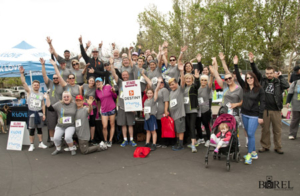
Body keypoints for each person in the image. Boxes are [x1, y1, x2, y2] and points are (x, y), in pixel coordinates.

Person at [249, 52, 289, 154]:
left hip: (276, 109)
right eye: (267, 73)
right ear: (265, 73)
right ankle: (265, 146)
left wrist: (280, 77)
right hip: (265, 109)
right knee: (265, 130)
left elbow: (286, 86)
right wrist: (252, 62)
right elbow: (256, 72)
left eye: (271, 73)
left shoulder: (279, 81)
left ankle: (278, 147)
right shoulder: (262, 81)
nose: (269, 75)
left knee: (277, 130)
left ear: (274, 73)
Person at [234, 55, 265, 164]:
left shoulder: (259, 89)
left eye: (251, 77)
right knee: (248, 133)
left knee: (251, 134)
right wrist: (236, 65)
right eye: (247, 78)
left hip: (254, 115)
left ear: (254, 78)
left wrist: (261, 116)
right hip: (244, 114)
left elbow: (263, 103)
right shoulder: (245, 87)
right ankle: (253, 152)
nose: (249, 79)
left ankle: (248, 155)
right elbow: (237, 76)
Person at [209, 58, 243, 146]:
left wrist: (236, 104)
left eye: (229, 78)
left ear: (233, 77)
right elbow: (216, 75)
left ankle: (235, 142)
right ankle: (223, 142)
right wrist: (215, 63)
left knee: (234, 128)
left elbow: (242, 102)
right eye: (226, 79)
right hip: (224, 111)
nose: (228, 80)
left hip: (234, 112)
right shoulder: (224, 86)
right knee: (223, 128)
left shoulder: (239, 89)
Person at [19, 66, 47, 151]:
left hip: (39, 113)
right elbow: (24, 83)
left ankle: (41, 143)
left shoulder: (41, 94)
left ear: (39, 86)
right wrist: (21, 74)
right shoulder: (29, 91)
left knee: (40, 129)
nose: (36, 86)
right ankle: (31, 145)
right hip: (31, 112)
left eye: (37, 85)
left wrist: (44, 114)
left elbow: (43, 105)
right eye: (34, 85)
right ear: (32, 86)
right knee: (31, 129)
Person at [111, 63, 137, 147]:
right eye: (123, 75)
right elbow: (114, 74)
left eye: (126, 75)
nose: (125, 76)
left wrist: (134, 107)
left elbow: (135, 96)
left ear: (128, 75)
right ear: (121, 76)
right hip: (122, 106)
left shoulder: (132, 83)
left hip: (130, 107)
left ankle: (131, 140)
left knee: (130, 124)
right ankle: (125, 140)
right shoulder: (120, 82)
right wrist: (111, 65)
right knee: (123, 124)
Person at [45, 91, 77, 155]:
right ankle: (58, 149)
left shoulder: (74, 104)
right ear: (62, 98)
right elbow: (50, 108)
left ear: (70, 97)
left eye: (68, 97)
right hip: (60, 125)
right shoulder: (59, 104)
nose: (66, 98)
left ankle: (71, 148)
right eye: (64, 97)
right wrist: (47, 98)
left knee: (67, 137)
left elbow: (81, 107)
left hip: (70, 125)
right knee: (56, 138)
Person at [41, 58, 64, 148]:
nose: (55, 79)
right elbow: (44, 76)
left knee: (61, 125)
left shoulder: (62, 85)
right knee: (51, 126)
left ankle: (60, 140)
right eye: (54, 78)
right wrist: (43, 65)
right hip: (50, 108)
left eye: (56, 78)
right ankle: (52, 141)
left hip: (60, 108)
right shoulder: (50, 83)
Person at [95, 77, 117, 147]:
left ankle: (110, 140)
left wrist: (114, 92)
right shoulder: (97, 91)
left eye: (99, 81)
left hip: (112, 108)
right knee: (104, 126)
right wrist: (98, 111)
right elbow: (98, 101)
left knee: (112, 124)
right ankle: (105, 140)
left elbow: (115, 96)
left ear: (102, 82)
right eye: (96, 82)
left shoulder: (108, 87)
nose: (98, 83)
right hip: (104, 110)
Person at [168, 62, 185, 151]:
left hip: (180, 115)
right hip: (173, 116)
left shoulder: (180, 90)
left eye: (173, 84)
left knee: (180, 130)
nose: (172, 86)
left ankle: (181, 144)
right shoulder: (171, 92)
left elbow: (182, 82)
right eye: (170, 85)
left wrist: (182, 71)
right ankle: (178, 143)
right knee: (177, 130)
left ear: (176, 84)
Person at [183, 70, 200, 153]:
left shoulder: (194, 87)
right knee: (189, 126)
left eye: (190, 78)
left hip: (192, 110)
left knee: (192, 126)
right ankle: (194, 141)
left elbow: (198, 85)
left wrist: (197, 78)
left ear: (192, 79)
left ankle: (193, 145)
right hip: (185, 110)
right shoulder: (184, 88)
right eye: (187, 79)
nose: (188, 80)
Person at [196, 74, 214, 148]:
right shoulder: (198, 88)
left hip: (205, 109)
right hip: (198, 109)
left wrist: (212, 75)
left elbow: (210, 83)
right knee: (197, 125)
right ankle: (201, 138)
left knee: (206, 125)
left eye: (205, 80)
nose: (203, 81)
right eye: (202, 80)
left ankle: (208, 139)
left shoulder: (208, 88)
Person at [80, 77, 97, 145]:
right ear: (88, 81)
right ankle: (86, 138)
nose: (92, 82)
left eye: (93, 81)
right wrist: (81, 96)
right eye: (90, 81)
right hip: (85, 106)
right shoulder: (84, 85)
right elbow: (79, 87)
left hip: (93, 107)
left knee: (92, 123)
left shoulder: (95, 87)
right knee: (85, 123)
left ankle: (92, 139)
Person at [144, 84, 160, 151]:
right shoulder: (145, 101)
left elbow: (156, 90)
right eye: (148, 93)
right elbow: (145, 109)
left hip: (152, 116)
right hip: (146, 117)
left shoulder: (154, 100)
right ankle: (147, 143)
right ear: (146, 93)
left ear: (153, 94)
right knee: (148, 131)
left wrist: (158, 83)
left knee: (153, 131)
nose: (149, 94)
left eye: (151, 93)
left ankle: (154, 144)